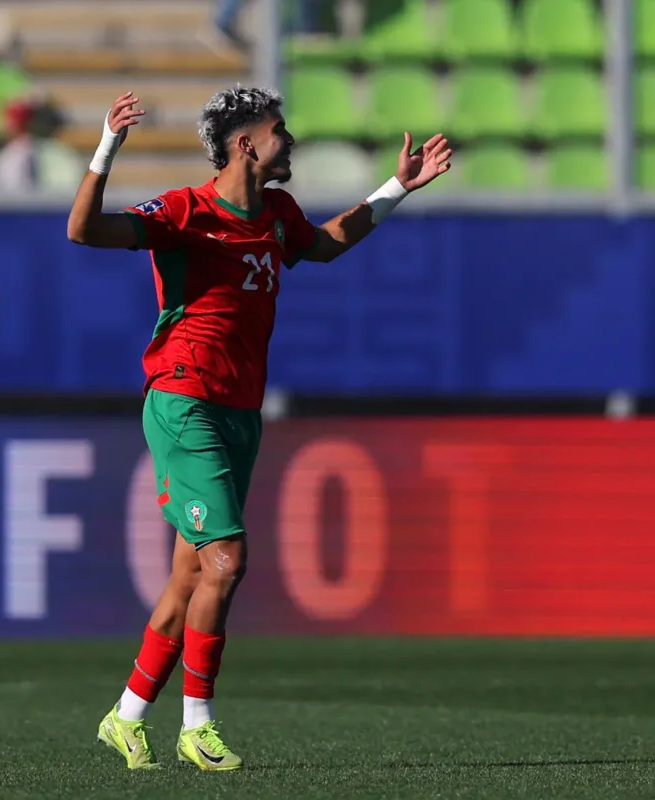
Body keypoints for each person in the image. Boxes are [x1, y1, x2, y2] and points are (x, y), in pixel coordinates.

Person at [66, 86, 451, 770]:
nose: (290, 140)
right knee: (228, 559)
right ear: (246, 143)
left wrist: (398, 186)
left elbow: (326, 245)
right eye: (280, 131)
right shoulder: (185, 211)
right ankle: (197, 726)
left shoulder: (276, 213)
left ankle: (126, 716)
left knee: (190, 574)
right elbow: (84, 231)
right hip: (184, 400)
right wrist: (107, 147)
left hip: (239, 408)